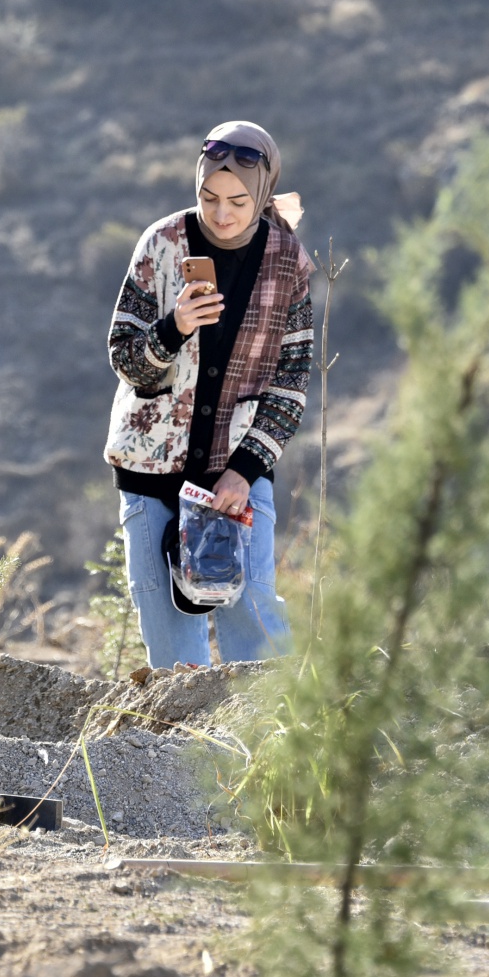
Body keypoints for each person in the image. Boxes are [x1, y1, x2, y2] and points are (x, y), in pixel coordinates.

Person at [103, 120, 313, 668]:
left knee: (255, 621)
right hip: (150, 476)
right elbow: (126, 361)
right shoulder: (161, 243)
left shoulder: (288, 262)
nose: (221, 214)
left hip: (237, 477)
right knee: (173, 650)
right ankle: (175, 754)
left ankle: (278, 746)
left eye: (239, 201)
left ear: (263, 193)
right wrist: (172, 328)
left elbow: (290, 387)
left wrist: (244, 472)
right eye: (209, 197)